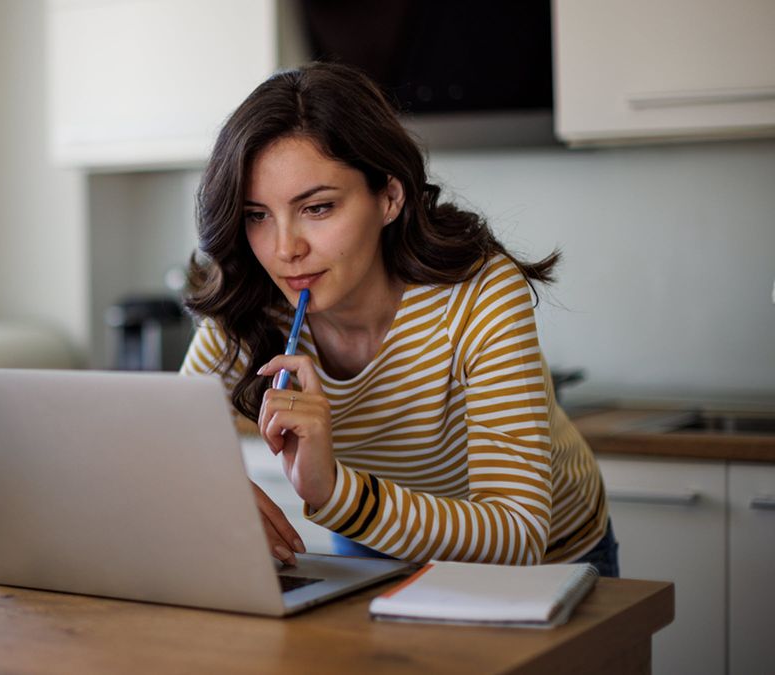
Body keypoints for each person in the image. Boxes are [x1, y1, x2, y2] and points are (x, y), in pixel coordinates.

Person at [180, 62, 617, 577]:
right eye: (257, 215)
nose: (284, 250)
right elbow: (166, 446)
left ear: (389, 197)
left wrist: (335, 493)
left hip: (546, 561)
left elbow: (518, 533)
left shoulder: (479, 292)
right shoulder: (251, 300)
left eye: (317, 208)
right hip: (375, 541)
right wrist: (211, 489)